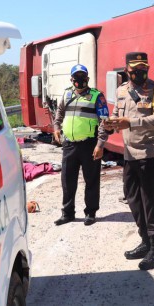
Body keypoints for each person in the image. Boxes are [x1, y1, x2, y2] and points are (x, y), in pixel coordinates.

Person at [101, 52, 154, 271]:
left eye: (144, 69)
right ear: (127, 70)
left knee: (153, 202)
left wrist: (129, 122)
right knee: (134, 199)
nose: (140, 73)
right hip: (130, 155)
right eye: (135, 70)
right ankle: (146, 241)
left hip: (151, 154)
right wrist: (112, 124)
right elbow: (116, 113)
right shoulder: (121, 91)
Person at [53, 64, 109, 226]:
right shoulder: (66, 94)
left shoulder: (97, 96)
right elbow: (59, 114)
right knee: (67, 180)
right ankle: (67, 213)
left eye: (82, 76)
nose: (79, 80)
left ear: (88, 78)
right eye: (76, 77)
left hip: (89, 144)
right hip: (69, 144)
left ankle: (90, 212)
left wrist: (100, 144)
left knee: (91, 179)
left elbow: (104, 122)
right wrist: (56, 128)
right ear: (71, 79)